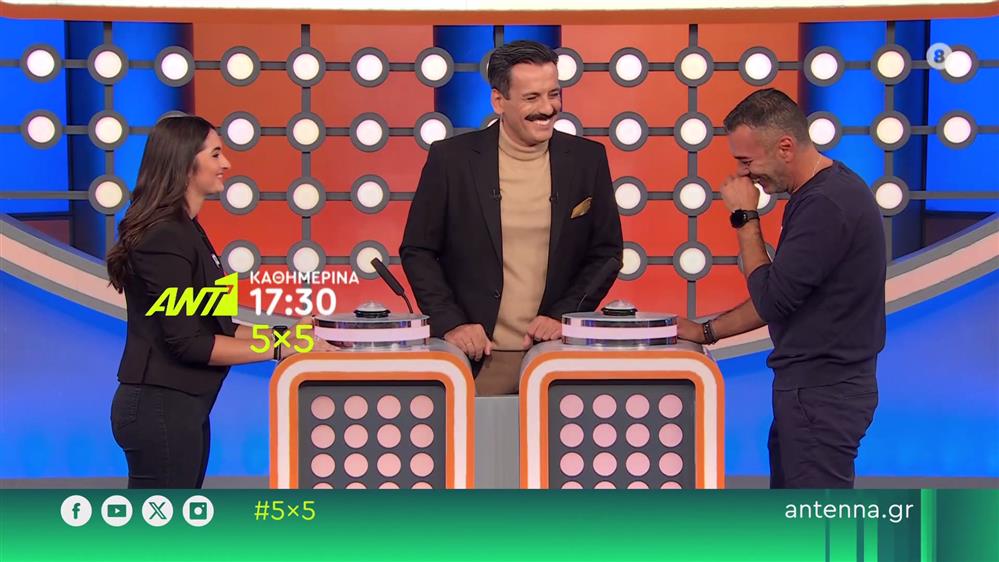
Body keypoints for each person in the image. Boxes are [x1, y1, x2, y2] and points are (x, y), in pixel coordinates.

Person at [106, 115, 335, 488]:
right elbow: (189, 342)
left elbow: (220, 324)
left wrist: (288, 335)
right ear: (185, 163)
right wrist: (281, 349)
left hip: (184, 407)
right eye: (215, 154)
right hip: (159, 407)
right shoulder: (165, 237)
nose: (226, 164)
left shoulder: (189, 231)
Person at [677, 89, 886, 488]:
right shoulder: (821, 195)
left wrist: (745, 217)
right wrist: (706, 331)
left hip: (823, 394)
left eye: (747, 161)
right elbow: (783, 294)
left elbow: (773, 298)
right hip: (812, 391)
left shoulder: (827, 204)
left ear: (785, 147)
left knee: (815, 521)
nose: (743, 175)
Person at [401, 40, 623, 396]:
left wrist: (563, 317)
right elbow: (418, 250)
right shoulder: (452, 160)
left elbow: (606, 252)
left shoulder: (588, 159)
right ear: (498, 101)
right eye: (532, 98)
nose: (548, 108)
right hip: (477, 359)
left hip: (555, 356)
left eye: (554, 94)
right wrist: (452, 324)